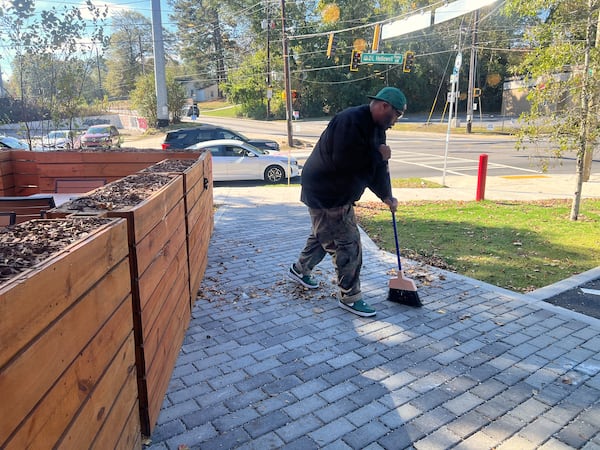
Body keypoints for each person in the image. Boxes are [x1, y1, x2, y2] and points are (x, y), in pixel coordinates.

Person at [288, 87, 406, 317]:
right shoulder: (349, 121)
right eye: (396, 115)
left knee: (323, 235)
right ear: (384, 106)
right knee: (348, 244)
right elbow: (345, 161)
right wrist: (378, 156)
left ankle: (300, 270)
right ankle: (349, 296)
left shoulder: (378, 129)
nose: (395, 122)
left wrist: (386, 196)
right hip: (327, 193)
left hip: (335, 192)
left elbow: (376, 169)